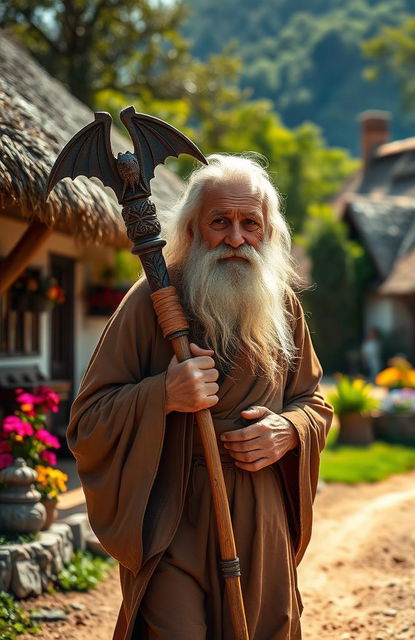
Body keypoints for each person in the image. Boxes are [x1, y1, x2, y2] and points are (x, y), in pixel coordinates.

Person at [68, 154, 333, 640]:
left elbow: (313, 401)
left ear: (268, 231)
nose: (236, 238)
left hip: (260, 516)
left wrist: (288, 430)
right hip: (175, 515)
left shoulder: (284, 306)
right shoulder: (151, 300)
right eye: (220, 222)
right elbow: (88, 423)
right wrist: (164, 393)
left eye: (249, 223)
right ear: (192, 229)